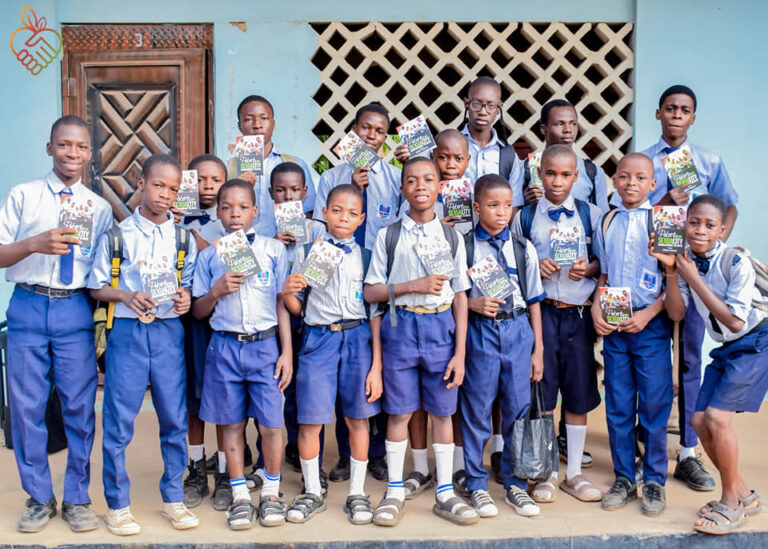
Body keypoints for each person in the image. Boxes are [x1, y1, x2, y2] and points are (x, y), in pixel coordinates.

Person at [0, 115, 112, 533]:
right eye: (64, 145)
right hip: (28, 305)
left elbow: (105, 270)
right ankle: (39, 497)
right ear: (50, 149)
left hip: (74, 310)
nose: (72, 154)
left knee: (79, 407)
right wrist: (34, 244)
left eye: (81, 147)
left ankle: (77, 498)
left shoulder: (98, 209)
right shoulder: (23, 196)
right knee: (27, 408)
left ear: (90, 152)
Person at [633, 85, 739, 492]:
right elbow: (636, 208)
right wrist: (665, 196)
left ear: (693, 118)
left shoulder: (708, 160)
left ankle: (689, 452)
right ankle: (650, 446)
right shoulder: (646, 159)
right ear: (659, 113)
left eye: (686, 110)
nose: (677, 115)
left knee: (691, 359)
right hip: (654, 270)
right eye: (671, 109)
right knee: (653, 362)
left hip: (695, 273)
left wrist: (718, 239)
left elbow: (729, 204)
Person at [89, 154, 199, 535]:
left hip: (169, 333)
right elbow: (96, 285)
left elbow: (189, 286)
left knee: (174, 419)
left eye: (173, 189)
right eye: (158, 185)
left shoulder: (183, 237)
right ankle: (117, 505)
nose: (165, 194)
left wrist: (185, 299)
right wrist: (125, 296)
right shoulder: (118, 236)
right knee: (119, 422)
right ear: (141, 183)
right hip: (128, 334)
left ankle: (173, 498)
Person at [364, 157, 477, 526]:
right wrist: (412, 286)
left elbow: (460, 295)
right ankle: (395, 488)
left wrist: (459, 353)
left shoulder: (451, 237)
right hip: (401, 327)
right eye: (411, 181)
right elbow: (371, 293)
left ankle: (444, 490)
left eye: (429, 179)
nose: (421, 186)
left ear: (440, 186)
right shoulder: (388, 235)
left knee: (443, 411)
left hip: (440, 330)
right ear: (402, 190)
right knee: (399, 411)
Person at [658, 194, 768, 535]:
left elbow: (735, 321)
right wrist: (673, 274)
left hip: (756, 342)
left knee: (718, 419)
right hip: (728, 349)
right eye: (693, 223)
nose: (700, 230)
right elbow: (677, 313)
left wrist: (694, 280)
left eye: (709, 225)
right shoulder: (688, 262)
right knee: (698, 419)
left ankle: (731, 504)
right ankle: (744, 494)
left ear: (722, 230)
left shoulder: (736, 262)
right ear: (684, 225)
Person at [315, 103, 409, 483]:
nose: (372, 136)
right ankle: (346, 453)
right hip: (341, 283)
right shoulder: (332, 175)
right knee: (346, 376)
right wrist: (353, 188)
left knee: (381, 364)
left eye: (379, 131)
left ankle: (379, 452)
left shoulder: (395, 177)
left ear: (386, 137)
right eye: (365, 128)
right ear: (353, 131)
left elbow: (405, 223)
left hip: (382, 280)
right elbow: (322, 227)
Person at [192, 179, 292, 529]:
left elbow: (282, 303)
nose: (234, 214)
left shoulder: (273, 251)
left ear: (255, 211)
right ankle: (238, 496)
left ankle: (270, 493)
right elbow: (199, 312)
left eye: (241, 207)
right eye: (226, 208)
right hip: (224, 346)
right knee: (230, 424)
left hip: (265, 347)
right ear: (217, 213)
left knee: (270, 425)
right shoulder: (209, 256)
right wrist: (216, 291)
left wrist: (286, 353)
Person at [282, 184, 383, 524]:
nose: (344, 218)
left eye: (352, 213)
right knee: (310, 418)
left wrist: (376, 365)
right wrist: (287, 293)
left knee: (358, 417)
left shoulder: (367, 256)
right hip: (318, 338)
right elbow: (298, 308)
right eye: (337, 210)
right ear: (324, 213)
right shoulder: (309, 250)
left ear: (361, 218)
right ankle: (312, 491)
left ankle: (356, 492)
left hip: (357, 339)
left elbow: (375, 313)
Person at [511, 145, 602, 504]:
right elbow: (514, 268)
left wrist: (587, 269)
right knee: (545, 393)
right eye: (550, 173)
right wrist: (538, 266)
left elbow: (601, 264)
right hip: (542, 313)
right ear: (539, 175)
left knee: (578, 394)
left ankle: (575, 473)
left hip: (578, 315)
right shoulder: (525, 217)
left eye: (565, 175)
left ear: (576, 177)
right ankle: (548, 472)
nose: (557, 181)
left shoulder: (591, 215)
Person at [592, 153, 672, 517]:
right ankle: (624, 476)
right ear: (615, 181)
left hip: (650, 325)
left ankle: (654, 480)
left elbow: (677, 280)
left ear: (652, 184)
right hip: (616, 325)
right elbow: (604, 276)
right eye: (624, 177)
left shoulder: (663, 220)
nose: (631, 184)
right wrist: (596, 307)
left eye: (640, 178)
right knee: (619, 405)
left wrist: (648, 314)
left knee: (654, 405)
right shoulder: (607, 220)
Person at [463, 174, 546, 518]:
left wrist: (537, 348)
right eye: (493, 205)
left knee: (516, 410)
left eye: (507, 205)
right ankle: (477, 484)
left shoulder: (523, 247)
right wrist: (471, 304)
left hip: (517, 330)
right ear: (477, 206)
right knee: (477, 411)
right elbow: (451, 296)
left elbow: (535, 300)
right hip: (481, 332)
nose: (501, 212)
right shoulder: (463, 246)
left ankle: (515, 483)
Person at [404, 128, 472, 499]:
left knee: (448, 397)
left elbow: (460, 287)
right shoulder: (405, 218)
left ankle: (455, 468)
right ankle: (419, 467)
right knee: (411, 402)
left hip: (449, 312)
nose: (447, 166)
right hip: (411, 316)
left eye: (455, 159)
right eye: (440, 158)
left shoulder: (469, 207)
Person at [179, 154, 228, 510]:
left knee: (225, 397)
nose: (207, 186)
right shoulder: (172, 219)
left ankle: (227, 470)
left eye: (215, 179)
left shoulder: (230, 221)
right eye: (200, 179)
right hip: (188, 319)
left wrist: (201, 243)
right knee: (193, 398)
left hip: (223, 320)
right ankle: (196, 466)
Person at [227, 94, 317, 237]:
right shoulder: (229, 168)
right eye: (249, 119)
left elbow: (309, 212)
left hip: (286, 247)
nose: (257, 125)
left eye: (264, 118)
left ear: (273, 123)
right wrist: (238, 189)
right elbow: (220, 212)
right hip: (244, 251)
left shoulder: (294, 164)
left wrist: (288, 235)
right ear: (239, 125)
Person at [513, 99, 609, 213]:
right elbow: (511, 216)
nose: (568, 130)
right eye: (560, 124)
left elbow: (602, 220)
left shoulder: (592, 172)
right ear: (543, 129)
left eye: (573, 124)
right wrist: (525, 201)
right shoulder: (524, 169)